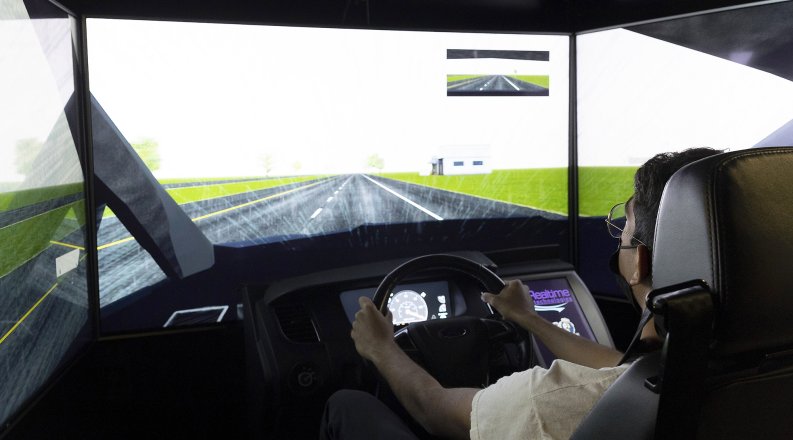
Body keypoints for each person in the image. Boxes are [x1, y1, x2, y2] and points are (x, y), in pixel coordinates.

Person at [320, 148, 722, 440]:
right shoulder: (729, 366)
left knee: (346, 404)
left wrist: (381, 349)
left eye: (625, 228)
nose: (620, 241)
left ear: (638, 263)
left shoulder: (548, 402)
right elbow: (623, 368)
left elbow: (435, 411)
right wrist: (529, 319)